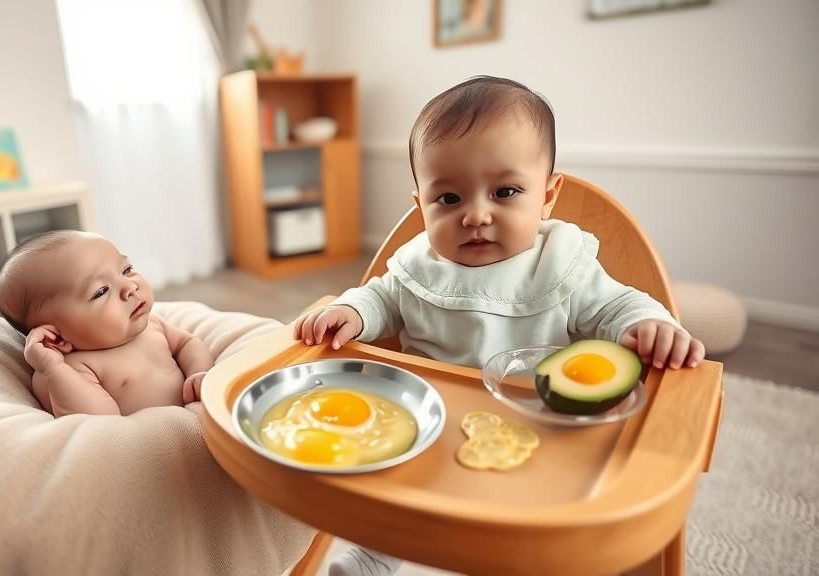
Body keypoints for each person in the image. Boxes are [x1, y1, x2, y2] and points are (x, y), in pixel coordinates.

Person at [293, 76, 706, 576]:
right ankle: (377, 553)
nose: (475, 215)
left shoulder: (560, 264)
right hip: (433, 425)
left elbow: (617, 306)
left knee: (545, 515)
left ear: (547, 196)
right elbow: (381, 296)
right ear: (421, 205)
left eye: (505, 192)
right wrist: (353, 312)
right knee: (397, 484)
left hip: (537, 431)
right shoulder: (419, 265)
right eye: (449, 199)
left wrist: (649, 324)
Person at [0, 230, 213, 417]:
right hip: (154, 440)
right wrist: (53, 368)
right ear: (55, 337)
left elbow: (187, 343)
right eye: (101, 291)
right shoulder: (68, 369)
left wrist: (200, 373)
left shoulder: (152, 325)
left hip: (204, 417)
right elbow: (99, 423)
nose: (130, 287)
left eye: (126, 270)